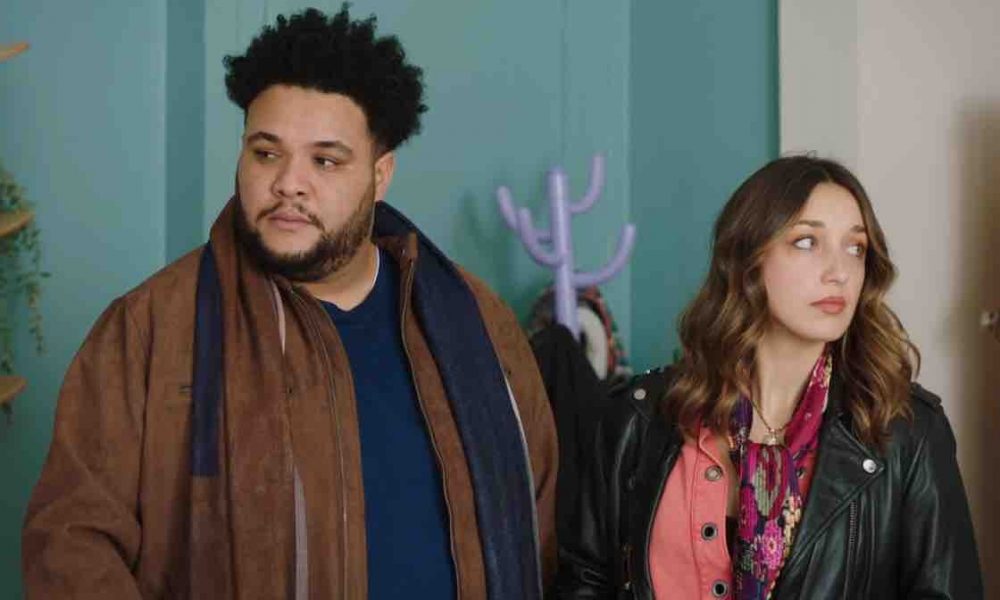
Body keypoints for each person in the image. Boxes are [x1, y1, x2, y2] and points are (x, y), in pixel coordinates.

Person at [23, 7, 556, 599]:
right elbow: (70, 547)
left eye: (325, 160)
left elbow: (543, 524)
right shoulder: (151, 329)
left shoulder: (474, 320)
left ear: (380, 175)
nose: (288, 183)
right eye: (266, 153)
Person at [557, 156, 982, 598]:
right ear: (748, 259)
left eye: (855, 248)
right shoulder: (638, 417)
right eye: (807, 242)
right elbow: (584, 582)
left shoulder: (908, 431)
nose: (839, 272)